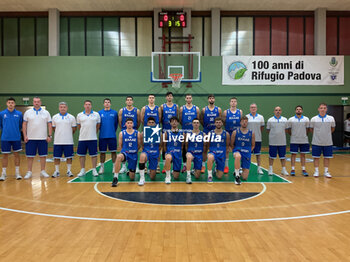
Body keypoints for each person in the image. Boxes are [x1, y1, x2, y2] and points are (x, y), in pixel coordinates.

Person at [22, 97, 52, 179]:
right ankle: (29, 172)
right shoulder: (27, 112)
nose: (36, 103)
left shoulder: (46, 112)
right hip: (31, 138)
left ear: (40, 102)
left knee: (43, 156)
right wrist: (25, 136)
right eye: (35, 102)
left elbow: (49, 124)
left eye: (38, 102)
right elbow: (24, 124)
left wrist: (49, 135)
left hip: (43, 138)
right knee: (30, 156)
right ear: (33, 102)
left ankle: (43, 171)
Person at [112, 118, 141, 187]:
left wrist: (134, 150)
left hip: (133, 155)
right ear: (125, 124)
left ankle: (129, 171)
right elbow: (120, 145)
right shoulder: (122, 133)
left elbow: (139, 145)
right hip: (125, 153)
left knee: (132, 177)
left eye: (131, 123)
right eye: (128, 123)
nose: (129, 124)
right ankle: (115, 178)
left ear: (133, 124)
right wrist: (124, 151)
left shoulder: (137, 133)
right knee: (119, 157)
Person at [51, 102, 77, 177]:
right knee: (56, 157)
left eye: (64, 107)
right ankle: (57, 171)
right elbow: (53, 128)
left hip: (68, 141)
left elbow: (74, 128)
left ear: (67, 108)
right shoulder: (55, 117)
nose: (63, 108)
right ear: (59, 108)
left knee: (69, 157)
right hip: (57, 141)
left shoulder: (71, 117)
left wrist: (67, 134)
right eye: (61, 107)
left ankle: (69, 171)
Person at [310, 103, 335, 178]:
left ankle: (326, 172)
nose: (322, 109)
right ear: (318, 109)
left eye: (324, 108)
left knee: (327, 157)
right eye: (321, 108)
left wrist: (326, 134)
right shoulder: (314, 119)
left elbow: (333, 128)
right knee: (316, 157)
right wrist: (318, 134)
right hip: (316, 142)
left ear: (326, 109)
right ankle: (316, 171)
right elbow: (311, 129)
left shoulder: (331, 118)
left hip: (327, 142)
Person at [0, 98, 23, 181]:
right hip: (5, 138)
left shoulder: (19, 114)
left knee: (17, 155)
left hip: (16, 137)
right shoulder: (2, 114)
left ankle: (17, 173)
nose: (10, 104)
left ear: (14, 104)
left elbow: (20, 125)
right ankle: (3, 173)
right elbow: (1, 125)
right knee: (5, 155)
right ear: (6, 104)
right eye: (9, 103)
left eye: (12, 103)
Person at [76, 100, 101, 177]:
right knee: (81, 155)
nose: (87, 106)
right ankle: (82, 170)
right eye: (86, 104)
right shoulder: (79, 115)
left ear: (91, 106)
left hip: (93, 138)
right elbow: (79, 126)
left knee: (94, 155)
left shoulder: (96, 114)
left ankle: (94, 169)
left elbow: (98, 126)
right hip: (82, 139)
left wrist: (93, 132)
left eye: (89, 104)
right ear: (84, 105)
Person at [118, 96, 140, 173]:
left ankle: (136, 165)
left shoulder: (136, 110)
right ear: (126, 102)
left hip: (133, 131)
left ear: (132, 102)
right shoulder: (121, 110)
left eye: (131, 100)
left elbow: (139, 121)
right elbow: (120, 122)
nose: (129, 101)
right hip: (125, 131)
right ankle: (124, 166)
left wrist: (134, 129)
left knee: (135, 148)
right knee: (123, 149)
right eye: (128, 100)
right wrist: (124, 129)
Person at [200, 94, 222, 174]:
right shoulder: (204, 109)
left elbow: (220, 120)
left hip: (216, 132)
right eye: (210, 98)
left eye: (213, 98)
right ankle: (203, 165)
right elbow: (201, 120)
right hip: (206, 131)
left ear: (214, 100)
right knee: (205, 148)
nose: (211, 99)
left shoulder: (218, 109)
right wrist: (206, 127)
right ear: (208, 100)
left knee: (216, 149)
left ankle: (216, 166)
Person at [287, 105, 310, 176]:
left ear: (302, 111)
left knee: (303, 155)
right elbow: (288, 130)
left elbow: (308, 129)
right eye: (297, 109)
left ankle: (303, 169)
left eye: (300, 109)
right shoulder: (291, 119)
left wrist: (303, 135)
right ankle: (293, 169)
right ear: (295, 111)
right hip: (294, 140)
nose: (298, 110)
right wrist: (293, 135)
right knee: (293, 154)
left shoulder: (306, 119)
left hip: (304, 140)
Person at [231, 116, 255, 185]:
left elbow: (253, 145)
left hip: (247, 153)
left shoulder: (251, 133)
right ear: (240, 122)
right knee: (238, 156)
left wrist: (249, 152)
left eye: (246, 121)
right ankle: (237, 176)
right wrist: (234, 151)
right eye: (243, 121)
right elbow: (232, 144)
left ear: (247, 123)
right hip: (237, 151)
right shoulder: (235, 132)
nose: (244, 123)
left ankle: (238, 170)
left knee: (245, 177)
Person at [180, 94, 200, 173]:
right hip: (185, 131)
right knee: (184, 147)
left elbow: (197, 119)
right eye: (187, 98)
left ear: (192, 99)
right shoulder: (182, 108)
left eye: (190, 98)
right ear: (185, 99)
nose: (188, 99)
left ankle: (195, 166)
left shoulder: (196, 108)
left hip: (194, 132)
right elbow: (181, 119)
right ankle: (185, 165)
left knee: (195, 148)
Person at [138, 117, 161, 186]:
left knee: (152, 177)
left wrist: (156, 152)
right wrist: (147, 150)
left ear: (155, 124)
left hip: (154, 153)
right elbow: (142, 145)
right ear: (147, 124)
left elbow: (160, 146)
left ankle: (150, 170)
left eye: (152, 123)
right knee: (142, 156)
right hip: (146, 152)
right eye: (149, 122)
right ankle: (142, 178)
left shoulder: (159, 133)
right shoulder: (142, 133)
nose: (151, 124)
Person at [266, 106, 289, 176]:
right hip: (273, 142)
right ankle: (270, 169)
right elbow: (268, 130)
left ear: (281, 111)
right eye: (276, 110)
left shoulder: (285, 119)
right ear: (274, 111)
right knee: (271, 156)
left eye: (279, 110)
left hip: (282, 142)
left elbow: (286, 130)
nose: (278, 111)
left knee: (283, 157)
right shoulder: (270, 120)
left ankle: (283, 169)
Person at [98, 98, 118, 176]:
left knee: (113, 152)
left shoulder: (114, 113)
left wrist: (112, 130)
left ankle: (114, 167)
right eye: (105, 102)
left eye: (108, 102)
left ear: (110, 104)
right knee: (102, 153)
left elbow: (116, 124)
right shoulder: (99, 113)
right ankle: (102, 167)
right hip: (102, 136)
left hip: (112, 136)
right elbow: (98, 125)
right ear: (103, 104)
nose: (107, 103)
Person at [207, 117, 230, 183]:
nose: (218, 124)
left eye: (220, 122)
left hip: (221, 154)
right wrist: (209, 152)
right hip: (213, 152)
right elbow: (208, 144)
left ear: (222, 123)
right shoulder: (210, 133)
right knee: (210, 157)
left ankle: (215, 169)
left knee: (219, 176)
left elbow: (227, 146)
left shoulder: (226, 134)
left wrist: (226, 161)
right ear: (214, 123)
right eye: (217, 122)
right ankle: (209, 176)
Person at [223, 97, 243, 173]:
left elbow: (241, 122)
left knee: (238, 150)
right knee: (227, 150)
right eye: (232, 101)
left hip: (237, 133)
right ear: (230, 103)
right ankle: (226, 166)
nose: (233, 103)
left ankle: (239, 167)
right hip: (228, 132)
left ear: (236, 103)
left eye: (235, 101)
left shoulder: (240, 112)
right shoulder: (226, 112)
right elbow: (224, 122)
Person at [185, 118, 206, 183]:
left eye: (197, 123)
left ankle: (193, 171)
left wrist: (203, 157)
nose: (196, 124)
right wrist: (188, 152)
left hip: (199, 154)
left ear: (199, 124)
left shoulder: (203, 134)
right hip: (191, 152)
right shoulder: (188, 134)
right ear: (192, 124)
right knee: (189, 157)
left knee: (197, 176)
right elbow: (186, 145)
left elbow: (205, 146)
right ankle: (188, 176)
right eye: (194, 123)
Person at [163, 116, 183, 184]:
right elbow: (164, 145)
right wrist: (167, 153)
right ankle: (168, 176)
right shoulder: (166, 133)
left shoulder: (182, 133)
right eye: (172, 121)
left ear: (178, 123)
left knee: (176, 177)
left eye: (175, 121)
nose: (174, 122)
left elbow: (183, 145)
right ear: (170, 123)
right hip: (170, 152)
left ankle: (173, 171)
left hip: (178, 153)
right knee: (168, 158)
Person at [246, 103, 265, 174]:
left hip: (258, 139)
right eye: (251, 107)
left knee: (258, 154)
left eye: (254, 107)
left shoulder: (261, 117)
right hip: (248, 140)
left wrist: (257, 134)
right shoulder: (246, 117)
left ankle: (259, 168)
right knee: (247, 154)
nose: (253, 109)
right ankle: (245, 167)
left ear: (256, 108)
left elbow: (262, 127)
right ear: (250, 109)